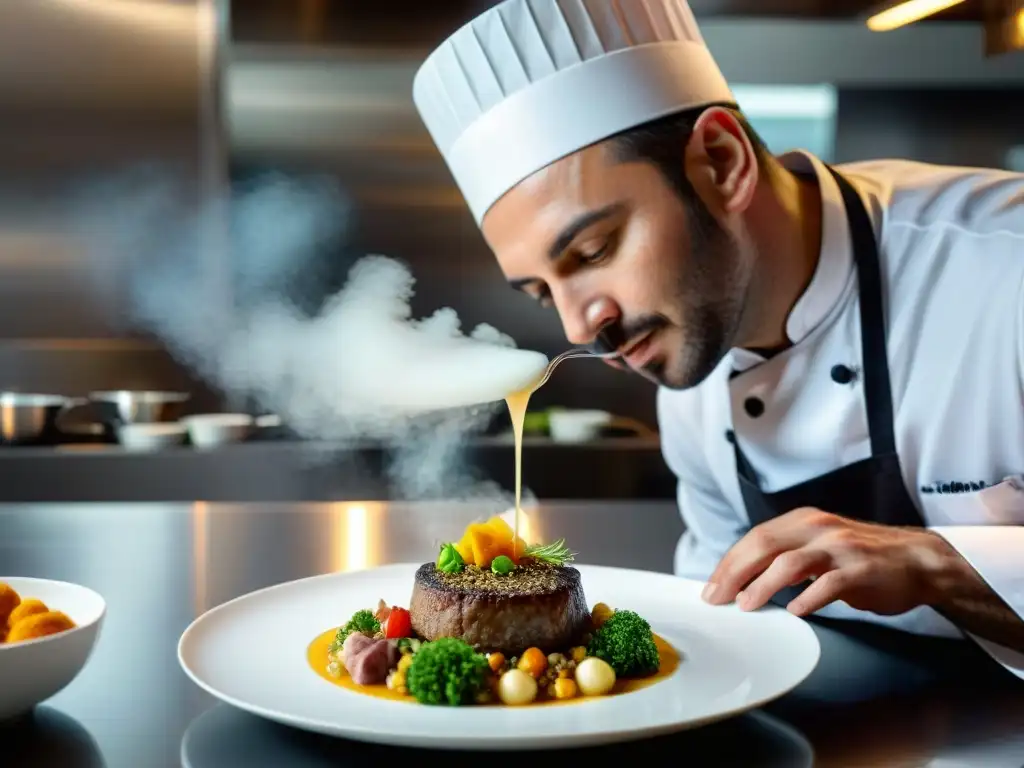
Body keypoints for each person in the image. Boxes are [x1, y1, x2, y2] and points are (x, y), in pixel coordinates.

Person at [411, 0, 1024, 678]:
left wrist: (940, 563)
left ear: (723, 160)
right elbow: (720, 637)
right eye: (541, 291)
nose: (580, 327)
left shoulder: (1005, 272)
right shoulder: (688, 380)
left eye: (593, 250)